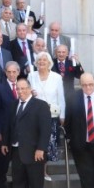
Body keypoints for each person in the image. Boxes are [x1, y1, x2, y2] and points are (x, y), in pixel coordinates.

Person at [1, 77, 51, 188]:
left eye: (23, 88)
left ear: (29, 89)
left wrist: (41, 148)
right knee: (18, 184)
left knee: (36, 185)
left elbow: (45, 129)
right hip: (16, 151)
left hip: (35, 152)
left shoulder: (40, 105)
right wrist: (5, 142)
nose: (21, 91)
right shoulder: (13, 105)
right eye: (18, 89)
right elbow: (8, 126)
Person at [27, 52, 65, 180]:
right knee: (34, 142)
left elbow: (61, 97)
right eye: (39, 60)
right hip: (34, 115)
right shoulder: (31, 76)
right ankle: (35, 171)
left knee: (47, 143)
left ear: (49, 63)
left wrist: (62, 115)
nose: (42, 62)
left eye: (44, 60)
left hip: (51, 115)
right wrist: (30, 93)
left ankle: (43, 172)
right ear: (36, 63)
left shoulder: (56, 77)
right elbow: (25, 95)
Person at [0, 62, 21, 188]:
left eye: (14, 72)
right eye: (9, 72)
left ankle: (17, 187)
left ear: (18, 72)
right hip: (4, 132)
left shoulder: (24, 87)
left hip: (20, 132)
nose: (11, 74)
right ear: (5, 72)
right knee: (3, 163)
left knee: (18, 163)